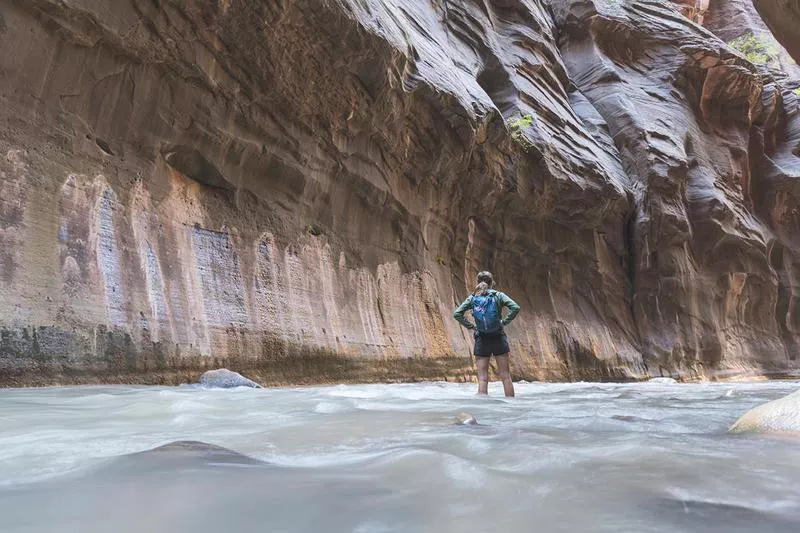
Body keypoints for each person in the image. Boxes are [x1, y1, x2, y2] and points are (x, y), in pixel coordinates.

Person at [453, 271, 520, 397]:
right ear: (491, 283)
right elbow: (515, 307)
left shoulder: (473, 298)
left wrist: (472, 326)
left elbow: (457, 314)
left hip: (481, 338)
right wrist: (503, 322)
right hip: (498, 336)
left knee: (483, 378)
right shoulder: (498, 296)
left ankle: (484, 411)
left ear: (478, 282)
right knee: (505, 376)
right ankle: (511, 410)